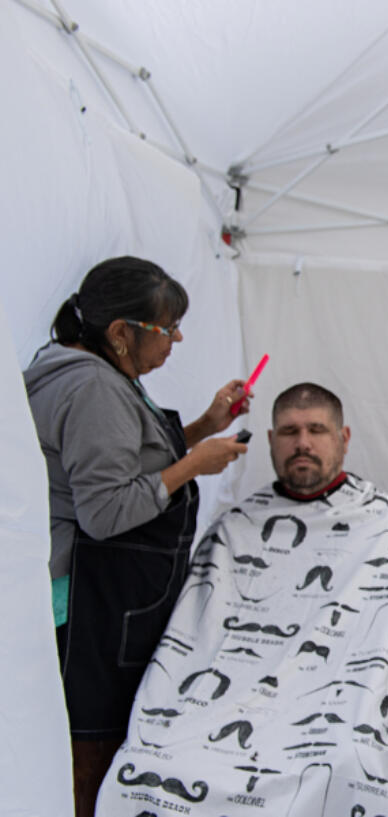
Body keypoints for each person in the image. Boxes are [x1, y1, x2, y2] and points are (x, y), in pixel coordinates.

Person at [96, 382, 388, 816]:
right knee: (144, 762)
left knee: (347, 769)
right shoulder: (235, 528)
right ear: (269, 441)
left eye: (316, 430)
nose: (302, 443)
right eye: (289, 432)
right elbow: (190, 643)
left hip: (330, 714)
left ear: (343, 440)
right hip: (219, 708)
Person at [23, 256, 249, 813]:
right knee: (90, 757)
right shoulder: (93, 388)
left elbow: (127, 459)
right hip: (90, 605)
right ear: (121, 333)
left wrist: (203, 426)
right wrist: (194, 462)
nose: (175, 340)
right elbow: (105, 510)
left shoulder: (89, 370)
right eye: (165, 328)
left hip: (103, 597)